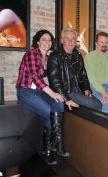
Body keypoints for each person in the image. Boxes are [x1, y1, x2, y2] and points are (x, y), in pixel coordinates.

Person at [16, 30, 65, 165]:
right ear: (37, 42)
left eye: (49, 40)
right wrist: (52, 93)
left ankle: (56, 143)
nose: (47, 42)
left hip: (38, 92)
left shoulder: (47, 58)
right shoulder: (31, 54)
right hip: (25, 91)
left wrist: (62, 93)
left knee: (59, 104)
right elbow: (35, 77)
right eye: (44, 39)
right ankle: (47, 150)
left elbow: (53, 76)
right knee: (50, 112)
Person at [47, 28, 102, 112]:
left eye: (73, 39)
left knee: (99, 103)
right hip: (66, 91)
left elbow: (83, 75)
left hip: (79, 90)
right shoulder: (55, 56)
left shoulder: (78, 55)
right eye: (67, 38)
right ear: (62, 40)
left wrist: (86, 89)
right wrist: (66, 99)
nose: (70, 41)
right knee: (95, 104)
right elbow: (55, 82)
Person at [84, 31, 108, 116]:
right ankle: (103, 126)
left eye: (106, 42)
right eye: (101, 42)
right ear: (96, 44)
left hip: (106, 86)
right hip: (94, 87)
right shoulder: (90, 57)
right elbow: (92, 78)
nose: (104, 44)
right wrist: (103, 92)